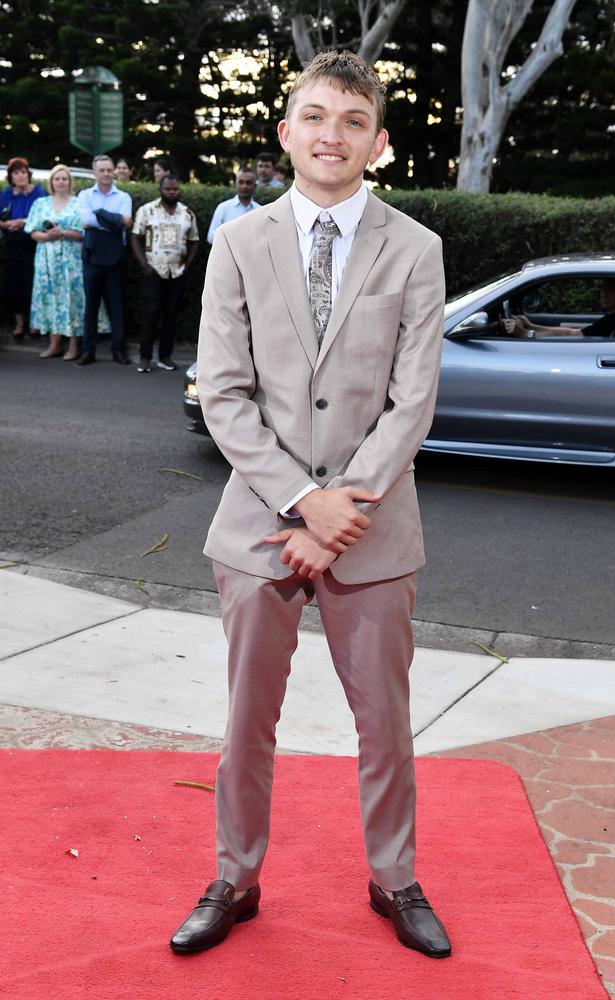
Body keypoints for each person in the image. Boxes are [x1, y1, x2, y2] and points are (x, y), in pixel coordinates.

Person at [170, 51, 450, 960]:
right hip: (258, 526)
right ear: (287, 132)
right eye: (317, 116)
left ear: (379, 141)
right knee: (247, 721)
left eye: (354, 120)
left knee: (386, 726)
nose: (334, 134)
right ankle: (234, 878)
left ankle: (395, 878)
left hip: (374, 532)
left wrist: (340, 516)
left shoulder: (416, 248)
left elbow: (414, 403)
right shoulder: (239, 243)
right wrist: (302, 504)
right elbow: (222, 392)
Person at [131, 174, 200, 372]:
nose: (172, 192)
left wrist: (187, 266)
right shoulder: (147, 210)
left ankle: (165, 357)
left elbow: (195, 241)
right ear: (160, 190)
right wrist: (145, 265)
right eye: (168, 189)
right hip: (154, 271)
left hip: (176, 272)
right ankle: (145, 358)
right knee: (151, 314)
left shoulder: (187, 213)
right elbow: (136, 237)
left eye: (175, 189)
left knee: (171, 316)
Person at [76, 154, 132, 366]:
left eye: (110, 170)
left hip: (116, 257)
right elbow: (85, 220)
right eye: (102, 170)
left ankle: (118, 350)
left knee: (116, 306)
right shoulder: (84, 195)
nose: (107, 173)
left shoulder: (123, 197)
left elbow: (125, 223)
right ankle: (87, 351)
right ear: (94, 173)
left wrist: (99, 214)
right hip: (92, 255)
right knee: (90, 307)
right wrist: (114, 220)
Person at [24, 165, 85, 361]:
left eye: (64, 179)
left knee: (72, 299)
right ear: (51, 182)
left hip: (72, 261)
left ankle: (74, 346)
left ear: (69, 182)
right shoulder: (41, 203)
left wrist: (63, 233)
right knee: (50, 298)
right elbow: (32, 231)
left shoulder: (78, 204)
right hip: (46, 261)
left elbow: (83, 234)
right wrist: (47, 236)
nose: (61, 182)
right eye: (57, 179)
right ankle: (55, 344)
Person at [0, 157, 46, 339]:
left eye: (23, 172)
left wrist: (23, 221)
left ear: (28, 174)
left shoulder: (38, 192)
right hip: (13, 245)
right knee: (14, 284)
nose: (20, 176)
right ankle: (19, 323)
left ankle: (35, 323)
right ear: (11, 176)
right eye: (16, 173)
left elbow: (44, 215)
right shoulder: (6, 195)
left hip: (33, 243)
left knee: (33, 282)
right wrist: (7, 224)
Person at [504, 279, 615, 338]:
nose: (604, 293)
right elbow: (577, 331)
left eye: (611, 289)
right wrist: (531, 326)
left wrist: (524, 334)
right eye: (603, 288)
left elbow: (574, 335)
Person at [206, 167, 260, 245]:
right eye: (241, 182)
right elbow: (210, 237)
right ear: (236, 184)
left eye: (248, 183)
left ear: (255, 186)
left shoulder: (260, 210)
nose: (244, 186)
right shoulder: (223, 208)